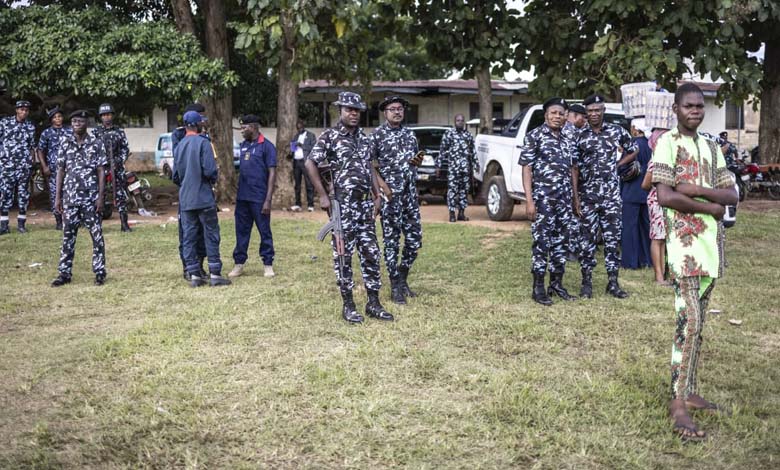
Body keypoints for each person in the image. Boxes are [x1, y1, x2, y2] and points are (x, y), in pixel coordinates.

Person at [651, 83, 737, 441]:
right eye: (689, 106)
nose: (696, 111)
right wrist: (711, 208)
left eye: (700, 106)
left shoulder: (712, 147)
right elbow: (666, 195)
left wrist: (698, 190)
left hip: (710, 248)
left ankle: (689, 390)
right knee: (689, 323)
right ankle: (677, 403)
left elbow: (733, 193)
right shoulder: (667, 143)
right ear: (676, 109)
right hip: (683, 248)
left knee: (699, 325)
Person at [305, 91, 393, 324]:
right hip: (342, 204)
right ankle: (349, 306)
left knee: (371, 252)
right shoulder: (330, 137)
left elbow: (370, 168)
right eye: (348, 110)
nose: (353, 114)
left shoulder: (364, 139)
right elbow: (310, 163)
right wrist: (322, 196)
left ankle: (373, 303)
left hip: (365, 205)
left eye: (356, 110)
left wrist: (376, 195)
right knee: (343, 255)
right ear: (340, 111)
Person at [572, 94, 638, 298]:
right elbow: (573, 168)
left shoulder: (616, 131)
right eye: (590, 111)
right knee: (587, 242)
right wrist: (576, 198)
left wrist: (618, 165)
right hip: (588, 197)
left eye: (597, 110)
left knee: (612, 241)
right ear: (586, 113)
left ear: (603, 111)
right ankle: (586, 284)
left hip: (611, 197)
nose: (594, 114)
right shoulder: (579, 136)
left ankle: (613, 283)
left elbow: (633, 149)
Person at [519, 97, 578, 305]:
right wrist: (529, 201)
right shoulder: (535, 136)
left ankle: (556, 284)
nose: (557, 116)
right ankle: (538, 289)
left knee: (562, 242)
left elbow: (572, 170)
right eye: (553, 112)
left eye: (561, 113)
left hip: (563, 200)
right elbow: (526, 168)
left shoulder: (567, 139)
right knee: (542, 243)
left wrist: (575, 199)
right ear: (546, 115)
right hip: (543, 200)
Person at [371, 95, 423, 305]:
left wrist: (416, 162)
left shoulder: (410, 135)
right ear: (385, 112)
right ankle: (394, 286)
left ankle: (402, 277)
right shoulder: (377, 136)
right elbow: (369, 166)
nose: (397, 112)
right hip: (390, 196)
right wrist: (383, 186)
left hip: (410, 196)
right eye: (392, 109)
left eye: (400, 108)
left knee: (414, 240)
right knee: (391, 241)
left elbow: (413, 163)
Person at [173, 111, 230, 288]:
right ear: (197, 125)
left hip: (186, 200)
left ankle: (194, 274)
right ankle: (214, 273)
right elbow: (210, 171)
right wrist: (211, 181)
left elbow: (175, 175)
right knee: (211, 234)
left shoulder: (179, 146)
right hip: (204, 197)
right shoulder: (204, 143)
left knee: (189, 237)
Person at [51, 110, 108, 287]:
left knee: (96, 235)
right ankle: (64, 273)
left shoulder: (96, 143)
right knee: (68, 235)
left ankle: (99, 272)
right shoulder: (65, 142)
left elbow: (101, 170)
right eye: (74, 121)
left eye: (80, 121)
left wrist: (100, 197)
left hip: (91, 198)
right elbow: (60, 169)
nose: (76, 124)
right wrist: (57, 197)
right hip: (70, 198)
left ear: (86, 123)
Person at [229, 115, 277, 278]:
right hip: (243, 198)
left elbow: (272, 173)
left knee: (264, 231)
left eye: (245, 128)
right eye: (241, 128)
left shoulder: (267, 146)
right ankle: (239, 263)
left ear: (254, 127)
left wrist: (268, 199)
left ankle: (268, 264)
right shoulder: (243, 146)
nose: (242, 130)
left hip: (260, 198)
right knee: (241, 231)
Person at [173, 103, 208, 280]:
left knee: (202, 231)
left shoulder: (204, 135)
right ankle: (188, 267)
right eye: (201, 118)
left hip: (202, 191)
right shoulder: (179, 135)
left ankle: (199, 266)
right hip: (188, 190)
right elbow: (178, 169)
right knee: (187, 232)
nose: (203, 121)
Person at [92, 103, 132, 232]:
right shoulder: (95, 132)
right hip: (100, 168)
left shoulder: (119, 131)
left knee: (120, 195)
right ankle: (97, 225)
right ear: (100, 117)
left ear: (112, 115)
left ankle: (124, 224)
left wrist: (118, 160)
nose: (106, 117)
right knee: (99, 194)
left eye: (108, 114)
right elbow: (91, 150)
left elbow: (125, 149)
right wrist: (100, 162)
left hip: (117, 168)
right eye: (104, 115)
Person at [620, 118, 652, 270]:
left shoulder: (632, 145)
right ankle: (648, 260)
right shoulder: (651, 144)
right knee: (646, 227)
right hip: (647, 192)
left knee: (629, 228)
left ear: (635, 128)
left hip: (631, 191)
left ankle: (630, 262)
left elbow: (622, 167)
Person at [0, 100, 36, 234]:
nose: (24, 112)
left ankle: (21, 224)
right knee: (5, 194)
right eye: (21, 109)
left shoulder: (30, 126)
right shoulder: (5, 123)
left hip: (23, 167)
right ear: (16, 110)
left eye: (26, 110)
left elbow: (32, 147)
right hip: (7, 165)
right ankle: (4, 225)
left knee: (23, 195)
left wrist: (31, 162)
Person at [642, 129, 671, 286]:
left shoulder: (670, 159)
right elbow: (645, 184)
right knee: (658, 237)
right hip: (657, 200)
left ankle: (665, 273)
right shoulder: (655, 161)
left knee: (665, 238)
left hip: (670, 201)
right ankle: (658, 276)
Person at [37, 106, 73, 230]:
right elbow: (40, 151)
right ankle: (58, 221)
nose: (58, 119)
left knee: (69, 193)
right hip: (53, 169)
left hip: (69, 168)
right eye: (55, 117)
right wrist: (44, 166)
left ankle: (70, 220)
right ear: (51, 120)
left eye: (60, 116)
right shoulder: (46, 133)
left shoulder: (70, 130)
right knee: (54, 194)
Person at [438, 113, 475, 223]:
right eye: (458, 120)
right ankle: (452, 214)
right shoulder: (449, 134)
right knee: (452, 191)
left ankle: (461, 214)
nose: (460, 122)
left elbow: (472, 151)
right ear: (454, 122)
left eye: (462, 120)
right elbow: (442, 150)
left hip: (465, 169)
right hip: (453, 169)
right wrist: (438, 166)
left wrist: (476, 165)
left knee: (464, 191)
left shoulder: (468, 135)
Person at [291, 118, 316, 212]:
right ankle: (298, 204)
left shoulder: (310, 136)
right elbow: (293, 149)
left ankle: (311, 205)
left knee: (309, 183)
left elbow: (314, 147)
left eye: (300, 127)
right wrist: (292, 149)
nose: (299, 129)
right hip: (296, 162)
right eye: (298, 128)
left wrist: (302, 145)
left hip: (305, 162)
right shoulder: (296, 136)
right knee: (297, 184)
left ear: (303, 126)